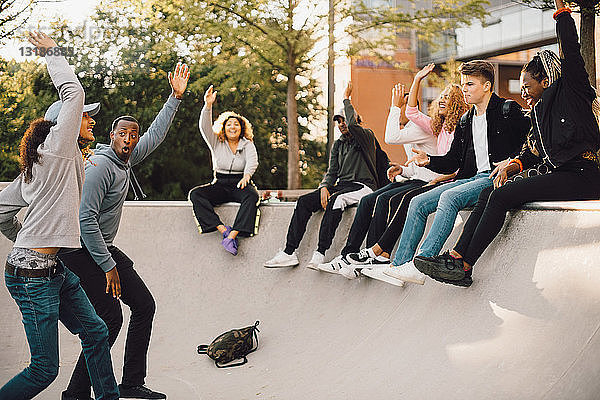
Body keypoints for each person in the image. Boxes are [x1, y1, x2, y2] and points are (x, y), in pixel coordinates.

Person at [414, 0, 600, 287]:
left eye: (527, 86)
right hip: (562, 176)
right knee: (490, 192)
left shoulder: (571, 92)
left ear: (546, 80)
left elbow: (572, 51)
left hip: (585, 175)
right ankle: (455, 257)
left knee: (501, 197)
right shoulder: (537, 113)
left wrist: (562, 13)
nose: (523, 92)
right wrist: (512, 165)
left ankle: (463, 264)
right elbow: (532, 151)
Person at [59, 63, 189, 400]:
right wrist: (108, 266)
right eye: (123, 134)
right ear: (112, 136)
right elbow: (85, 219)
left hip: (99, 247)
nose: (130, 140)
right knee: (109, 317)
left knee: (144, 305)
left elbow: (156, 135)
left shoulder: (126, 159)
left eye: (134, 134)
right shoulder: (102, 166)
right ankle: (75, 393)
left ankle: (131, 382)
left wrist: (174, 97)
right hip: (79, 251)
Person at [0, 32, 119, 400]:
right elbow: (74, 93)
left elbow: (2, 211)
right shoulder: (56, 149)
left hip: (51, 270)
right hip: (32, 275)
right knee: (44, 370)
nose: (90, 121)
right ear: (64, 124)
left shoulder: (45, 164)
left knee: (97, 332)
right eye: (84, 118)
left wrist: (23, 238)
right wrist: (51, 51)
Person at [368, 60, 530, 286]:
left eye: (470, 84)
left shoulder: (507, 109)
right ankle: (400, 266)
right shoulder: (466, 120)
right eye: (463, 84)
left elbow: (531, 141)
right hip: (471, 178)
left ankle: (424, 259)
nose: (464, 89)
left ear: (487, 86)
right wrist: (429, 161)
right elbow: (453, 161)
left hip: (495, 177)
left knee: (449, 197)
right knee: (418, 202)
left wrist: (513, 162)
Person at [319, 69, 467, 277]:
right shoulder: (438, 126)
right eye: (441, 97)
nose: (442, 100)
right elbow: (413, 119)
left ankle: (377, 255)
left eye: (447, 98)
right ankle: (354, 255)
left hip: (434, 180)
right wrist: (404, 170)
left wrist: (396, 107)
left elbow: (393, 135)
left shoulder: (432, 127)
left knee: (393, 200)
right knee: (370, 200)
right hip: (422, 176)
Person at [264, 82, 383, 269]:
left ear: (356, 119)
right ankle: (288, 252)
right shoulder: (338, 144)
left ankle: (320, 252)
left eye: (345, 119)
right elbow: (332, 171)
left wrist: (346, 98)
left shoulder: (367, 137)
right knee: (304, 202)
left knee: (336, 200)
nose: (342, 124)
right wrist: (324, 187)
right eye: (339, 121)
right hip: (342, 186)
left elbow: (353, 125)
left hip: (364, 187)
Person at [188, 85, 259, 256]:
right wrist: (208, 105)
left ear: (241, 128)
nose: (233, 127)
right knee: (196, 194)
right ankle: (223, 230)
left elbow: (253, 161)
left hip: (239, 183)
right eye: (229, 124)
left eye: (236, 124)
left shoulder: (247, 144)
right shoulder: (216, 142)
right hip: (219, 183)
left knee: (253, 196)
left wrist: (246, 176)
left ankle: (232, 236)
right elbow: (204, 126)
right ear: (224, 128)